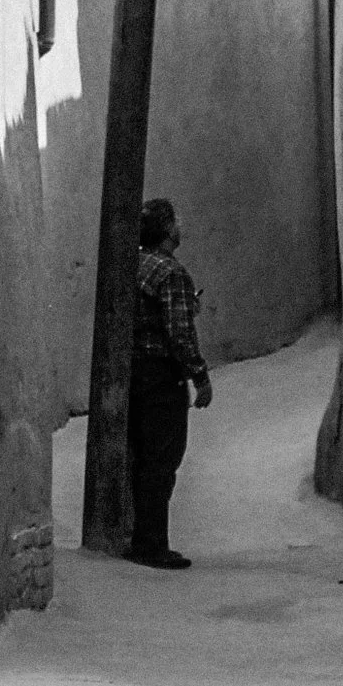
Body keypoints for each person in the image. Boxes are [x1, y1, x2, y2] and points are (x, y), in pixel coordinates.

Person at [126, 197, 212, 569]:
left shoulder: (134, 265)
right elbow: (179, 333)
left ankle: (139, 536)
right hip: (162, 377)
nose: (182, 224)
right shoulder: (171, 274)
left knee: (143, 457)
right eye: (176, 220)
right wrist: (201, 377)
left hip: (135, 373)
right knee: (163, 459)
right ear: (167, 231)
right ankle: (152, 544)